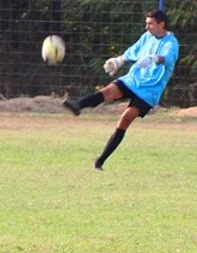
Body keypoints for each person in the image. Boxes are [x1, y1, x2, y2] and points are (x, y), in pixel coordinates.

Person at [62, 9, 179, 170]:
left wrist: (154, 58)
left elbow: (169, 58)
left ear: (161, 24)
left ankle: (100, 161)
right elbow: (133, 51)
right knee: (107, 92)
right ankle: (77, 106)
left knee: (126, 117)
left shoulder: (171, 43)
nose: (147, 27)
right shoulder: (147, 37)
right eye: (146, 23)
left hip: (149, 90)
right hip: (133, 80)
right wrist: (118, 61)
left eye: (150, 24)